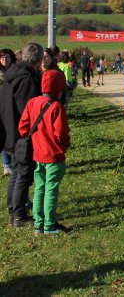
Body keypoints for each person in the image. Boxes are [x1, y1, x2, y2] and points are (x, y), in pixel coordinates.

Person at [18, 69, 70, 235]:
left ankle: (38, 223)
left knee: (40, 187)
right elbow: (61, 133)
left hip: (38, 154)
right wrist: (65, 145)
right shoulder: (56, 107)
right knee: (51, 189)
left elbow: (23, 127)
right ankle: (50, 224)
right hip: (54, 155)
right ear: (58, 87)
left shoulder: (32, 102)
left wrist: (36, 137)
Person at [4, 42, 43, 227]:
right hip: (21, 133)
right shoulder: (27, 79)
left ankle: (13, 211)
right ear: (39, 60)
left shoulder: (14, 72)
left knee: (16, 172)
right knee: (23, 174)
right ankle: (19, 214)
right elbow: (28, 110)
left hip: (9, 129)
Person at [0, 48, 17, 177]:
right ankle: (6, 164)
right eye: (2, 58)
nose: (4, 60)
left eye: (7, 57)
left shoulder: (16, 71)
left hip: (12, 105)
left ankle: (14, 162)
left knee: (12, 133)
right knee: (3, 134)